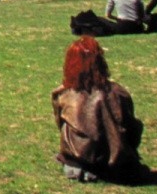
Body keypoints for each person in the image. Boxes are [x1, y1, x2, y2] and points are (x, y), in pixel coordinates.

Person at [52, 37, 145, 183]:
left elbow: (60, 124)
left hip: (78, 160)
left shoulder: (63, 94)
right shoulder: (119, 92)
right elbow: (131, 128)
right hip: (118, 164)